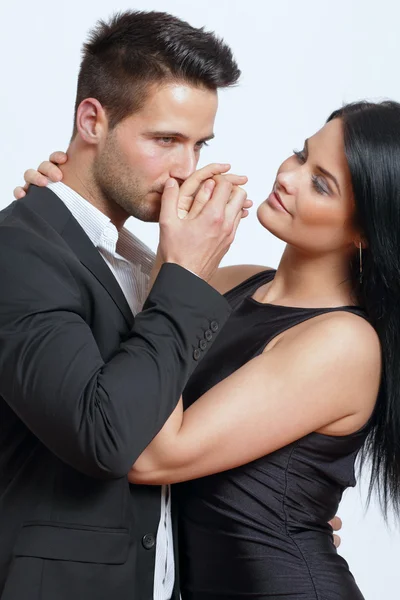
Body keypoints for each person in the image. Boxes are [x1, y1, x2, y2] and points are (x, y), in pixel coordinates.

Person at [17, 101, 393, 600]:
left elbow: (151, 454)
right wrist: (63, 209)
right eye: (302, 156)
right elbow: (125, 331)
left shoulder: (344, 342)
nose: (289, 178)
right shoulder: (235, 283)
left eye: (321, 183)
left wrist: (180, 270)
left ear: (364, 231)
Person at [0, 10, 252, 600]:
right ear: (93, 119)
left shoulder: (141, 259)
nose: (185, 170)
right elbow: (104, 438)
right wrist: (185, 273)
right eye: (165, 140)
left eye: (199, 145)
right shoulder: (17, 249)